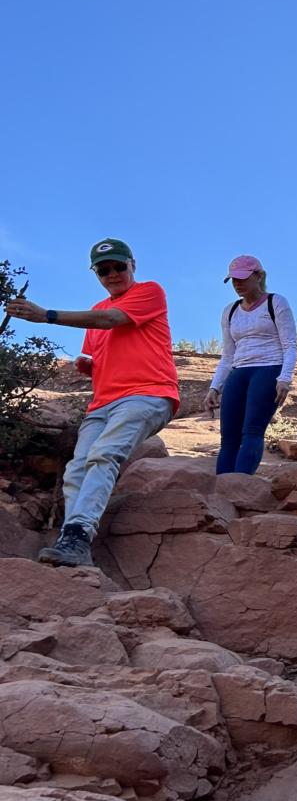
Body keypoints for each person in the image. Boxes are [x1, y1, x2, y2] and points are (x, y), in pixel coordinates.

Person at [3, 238, 179, 567]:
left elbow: (111, 320)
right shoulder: (96, 310)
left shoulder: (149, 292)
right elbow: (100, 346)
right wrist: (89, 367)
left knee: (104, 455)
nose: (112, 274)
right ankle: (72, 540)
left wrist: (46, 315)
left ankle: (78, 537)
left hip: (148, 393)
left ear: (132, 265)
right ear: (96, 274)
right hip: (102, 403)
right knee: (77, 469)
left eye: (118, 266)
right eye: (104, 269)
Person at [204, 256, 297, 475]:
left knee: (252, 431)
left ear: (259, 276)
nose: (237, 284)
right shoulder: (230, 311)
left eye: (243, 278)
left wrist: (285, 378)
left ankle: (240, 484)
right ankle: (222, 488)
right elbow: (227, 354)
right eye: (233, 280)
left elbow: (290, 345)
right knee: (229, 436)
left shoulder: (276, 303)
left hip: (268, 368)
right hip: (239, 371)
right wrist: (214, 387)